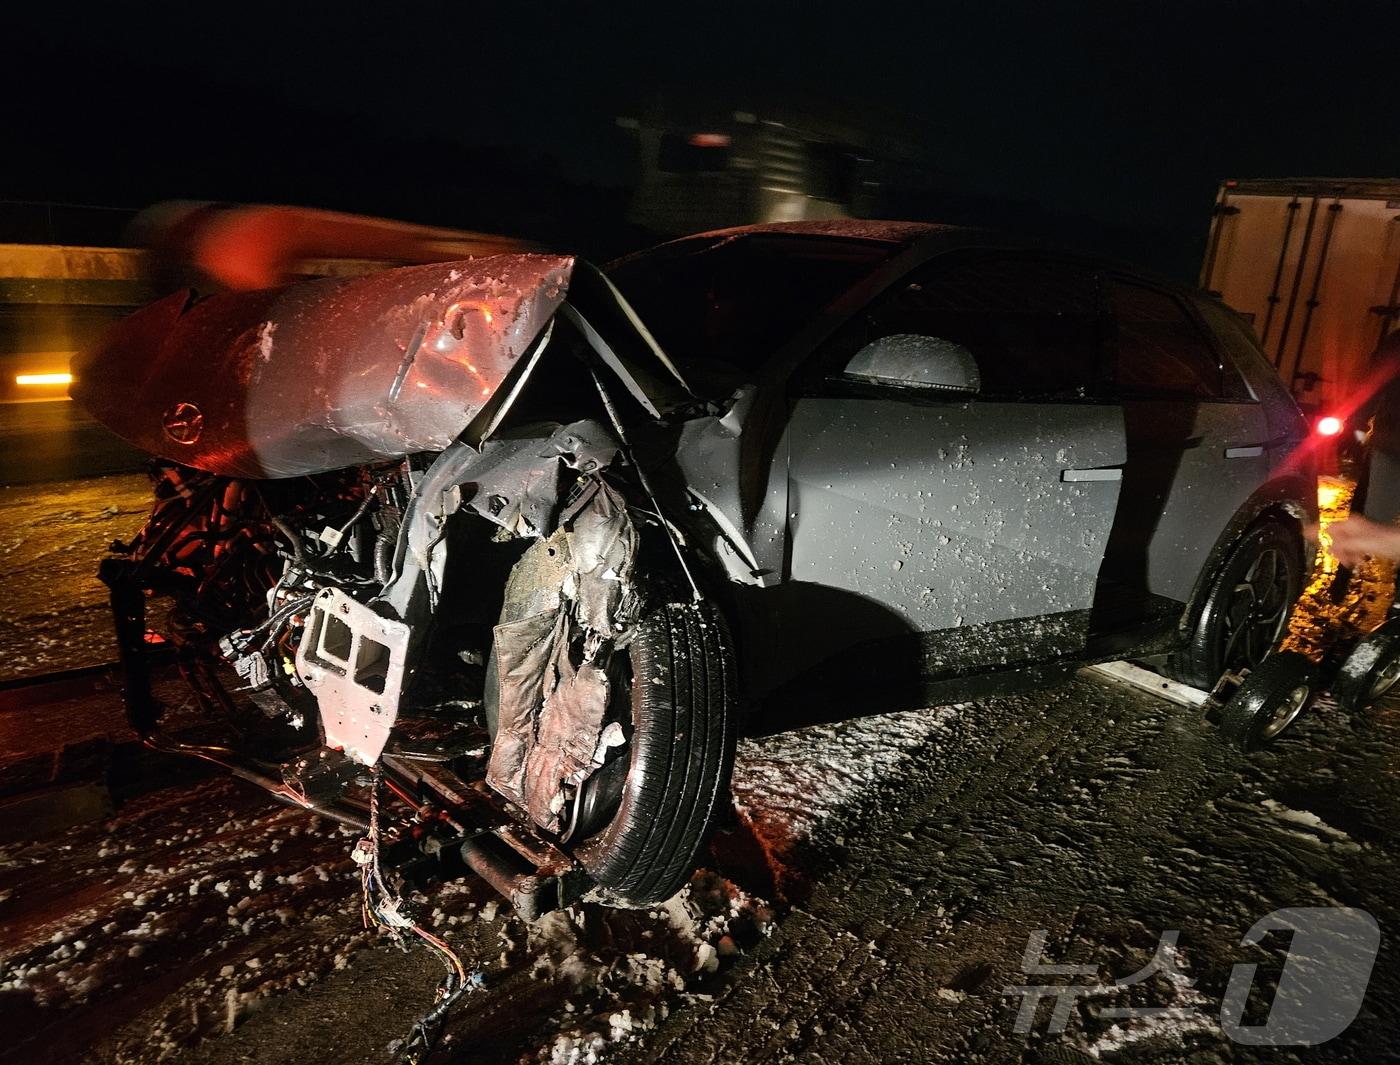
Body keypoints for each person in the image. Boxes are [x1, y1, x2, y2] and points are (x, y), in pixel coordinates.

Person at [1327, 330, 1400, 566]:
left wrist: (1357, 425)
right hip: (1390, 443)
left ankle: (1351, 565)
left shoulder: (1396, 340)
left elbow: (1373, 384)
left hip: (1390, 442)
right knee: (1376, 527)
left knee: (1376, 524)